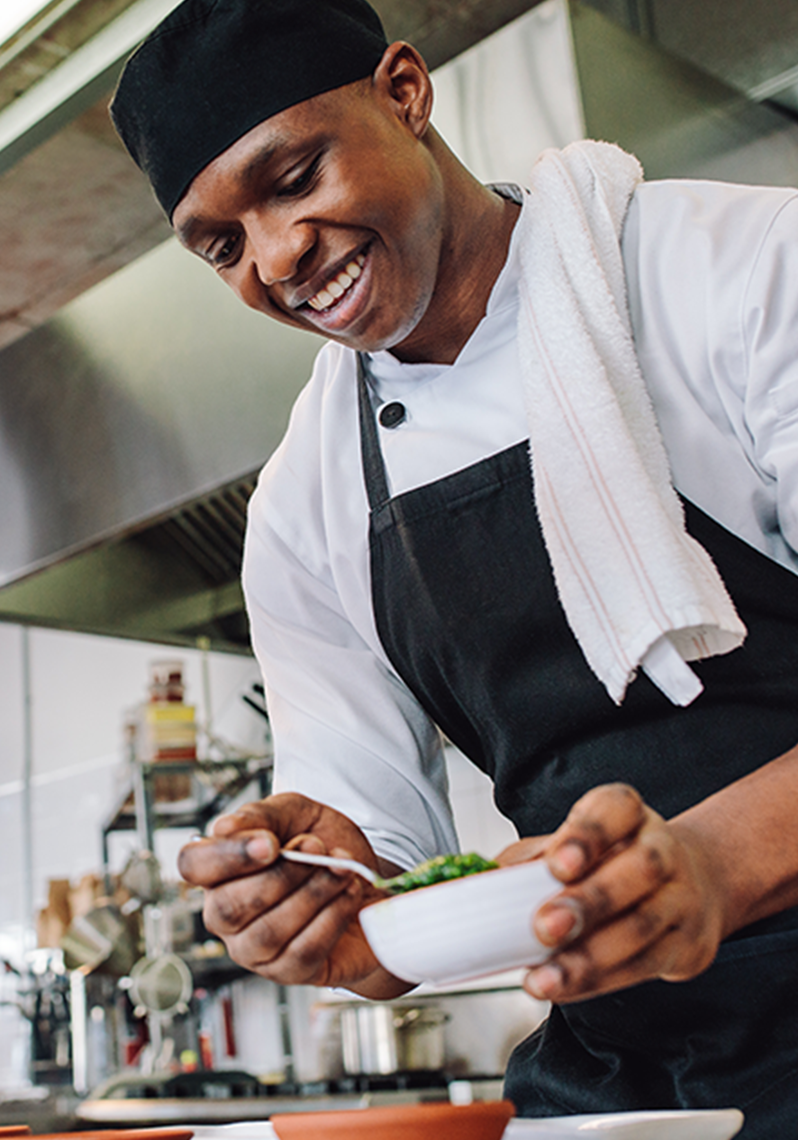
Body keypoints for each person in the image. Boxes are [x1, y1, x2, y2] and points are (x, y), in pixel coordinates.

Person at [110, 0, 798, 1132]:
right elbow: (378, 877)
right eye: (222, 245)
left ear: (405, 93)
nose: (278, 261)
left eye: (292, 178)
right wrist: (328, 908)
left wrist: (709, 867)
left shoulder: (728, 272)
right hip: (625, 1083)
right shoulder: (305, 504)